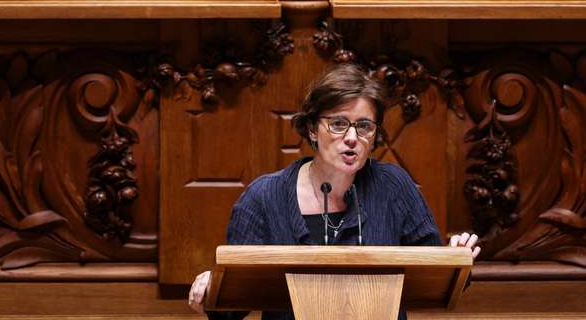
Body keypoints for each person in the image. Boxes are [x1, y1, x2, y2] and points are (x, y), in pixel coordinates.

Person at [187, 64, 480, 320]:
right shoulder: (265, 197)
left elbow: (431, 279)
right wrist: (210, 289)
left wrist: (456, 261)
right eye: (338, 124)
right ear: (313, 129)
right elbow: (229, 309)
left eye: (364, 126)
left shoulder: (394, 186)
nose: (352, 138)